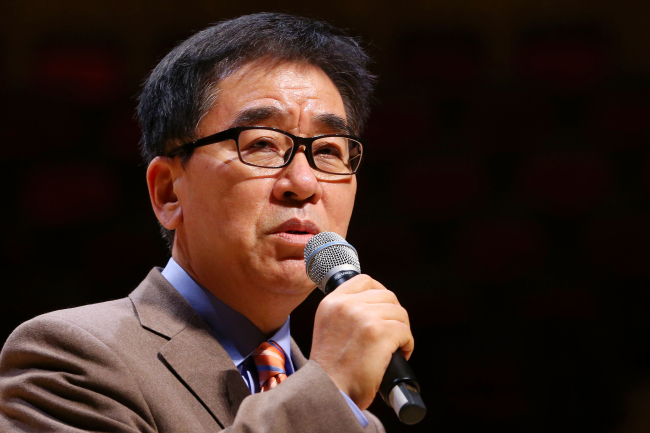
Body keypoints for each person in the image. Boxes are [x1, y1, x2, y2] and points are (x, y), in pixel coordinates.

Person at [0, 13, 414, 432]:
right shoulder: (69, 358)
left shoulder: (352, 419)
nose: (304, 183)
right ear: (168, 192)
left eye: (328, 150)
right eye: (263, 143)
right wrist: (328, 390)